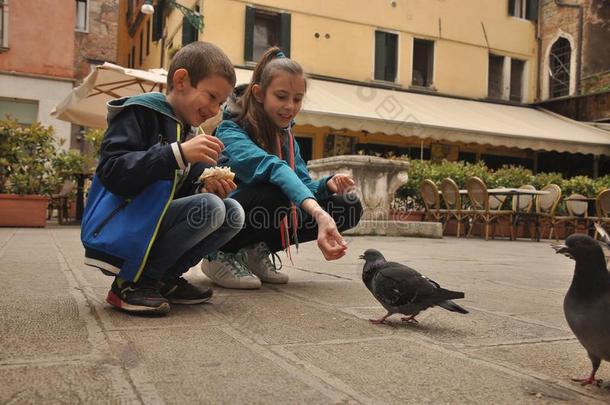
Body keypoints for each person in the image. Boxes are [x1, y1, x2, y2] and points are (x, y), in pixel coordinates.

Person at [81, 42, 244, 315]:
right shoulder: (139, 112)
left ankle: (165, 279)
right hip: (121, 223)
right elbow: (112, 172)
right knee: (211, 208)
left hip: (152, 224)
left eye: (221, 103)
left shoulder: (191, 132)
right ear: (181, 80)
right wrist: (175, 153)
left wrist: (205, 184)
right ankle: (131, 284)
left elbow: (176, 193)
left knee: (231, 212)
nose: (215, 109)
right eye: (211, 96)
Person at [201, 47, 363, 289]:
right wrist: (319, 215)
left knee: (347, 206)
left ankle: (254, 251)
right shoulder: (230, 130)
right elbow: (273, 169)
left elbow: (302, 184)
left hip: (266, 208)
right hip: (229, 215)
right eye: (281, 96)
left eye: (297, 99)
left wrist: (326, 185)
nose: (290, 106)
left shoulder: (287, 137)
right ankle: (220, 254)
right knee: (273, 191)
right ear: (258, 94)